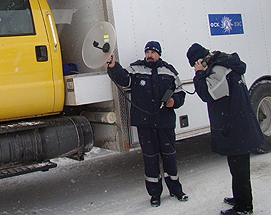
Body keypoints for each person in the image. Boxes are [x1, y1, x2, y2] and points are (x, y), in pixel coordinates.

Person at [107, 41, 188, 207]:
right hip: (145, 125)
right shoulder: (136, 69)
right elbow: (123, 78)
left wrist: (174, 101)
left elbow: (180, 93)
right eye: (147, 52)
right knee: (150, 161)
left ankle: (176, 190)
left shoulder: (170, 71)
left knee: (170, 158)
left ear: (159, 54)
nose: (149, 55)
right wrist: (113, 66)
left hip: (165, 123)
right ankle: (155, 195)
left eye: (153, 52)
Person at [186, 43, 264, 215]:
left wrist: (199, 74)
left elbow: (206, 93)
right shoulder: (225, 63)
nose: (196, 68)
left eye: (195, 64)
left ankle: (244, 207)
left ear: (201, 60)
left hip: (236, 127)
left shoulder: (220, 69)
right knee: (237, 167)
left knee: (240, 169)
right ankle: (240, 197)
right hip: (236, 124)